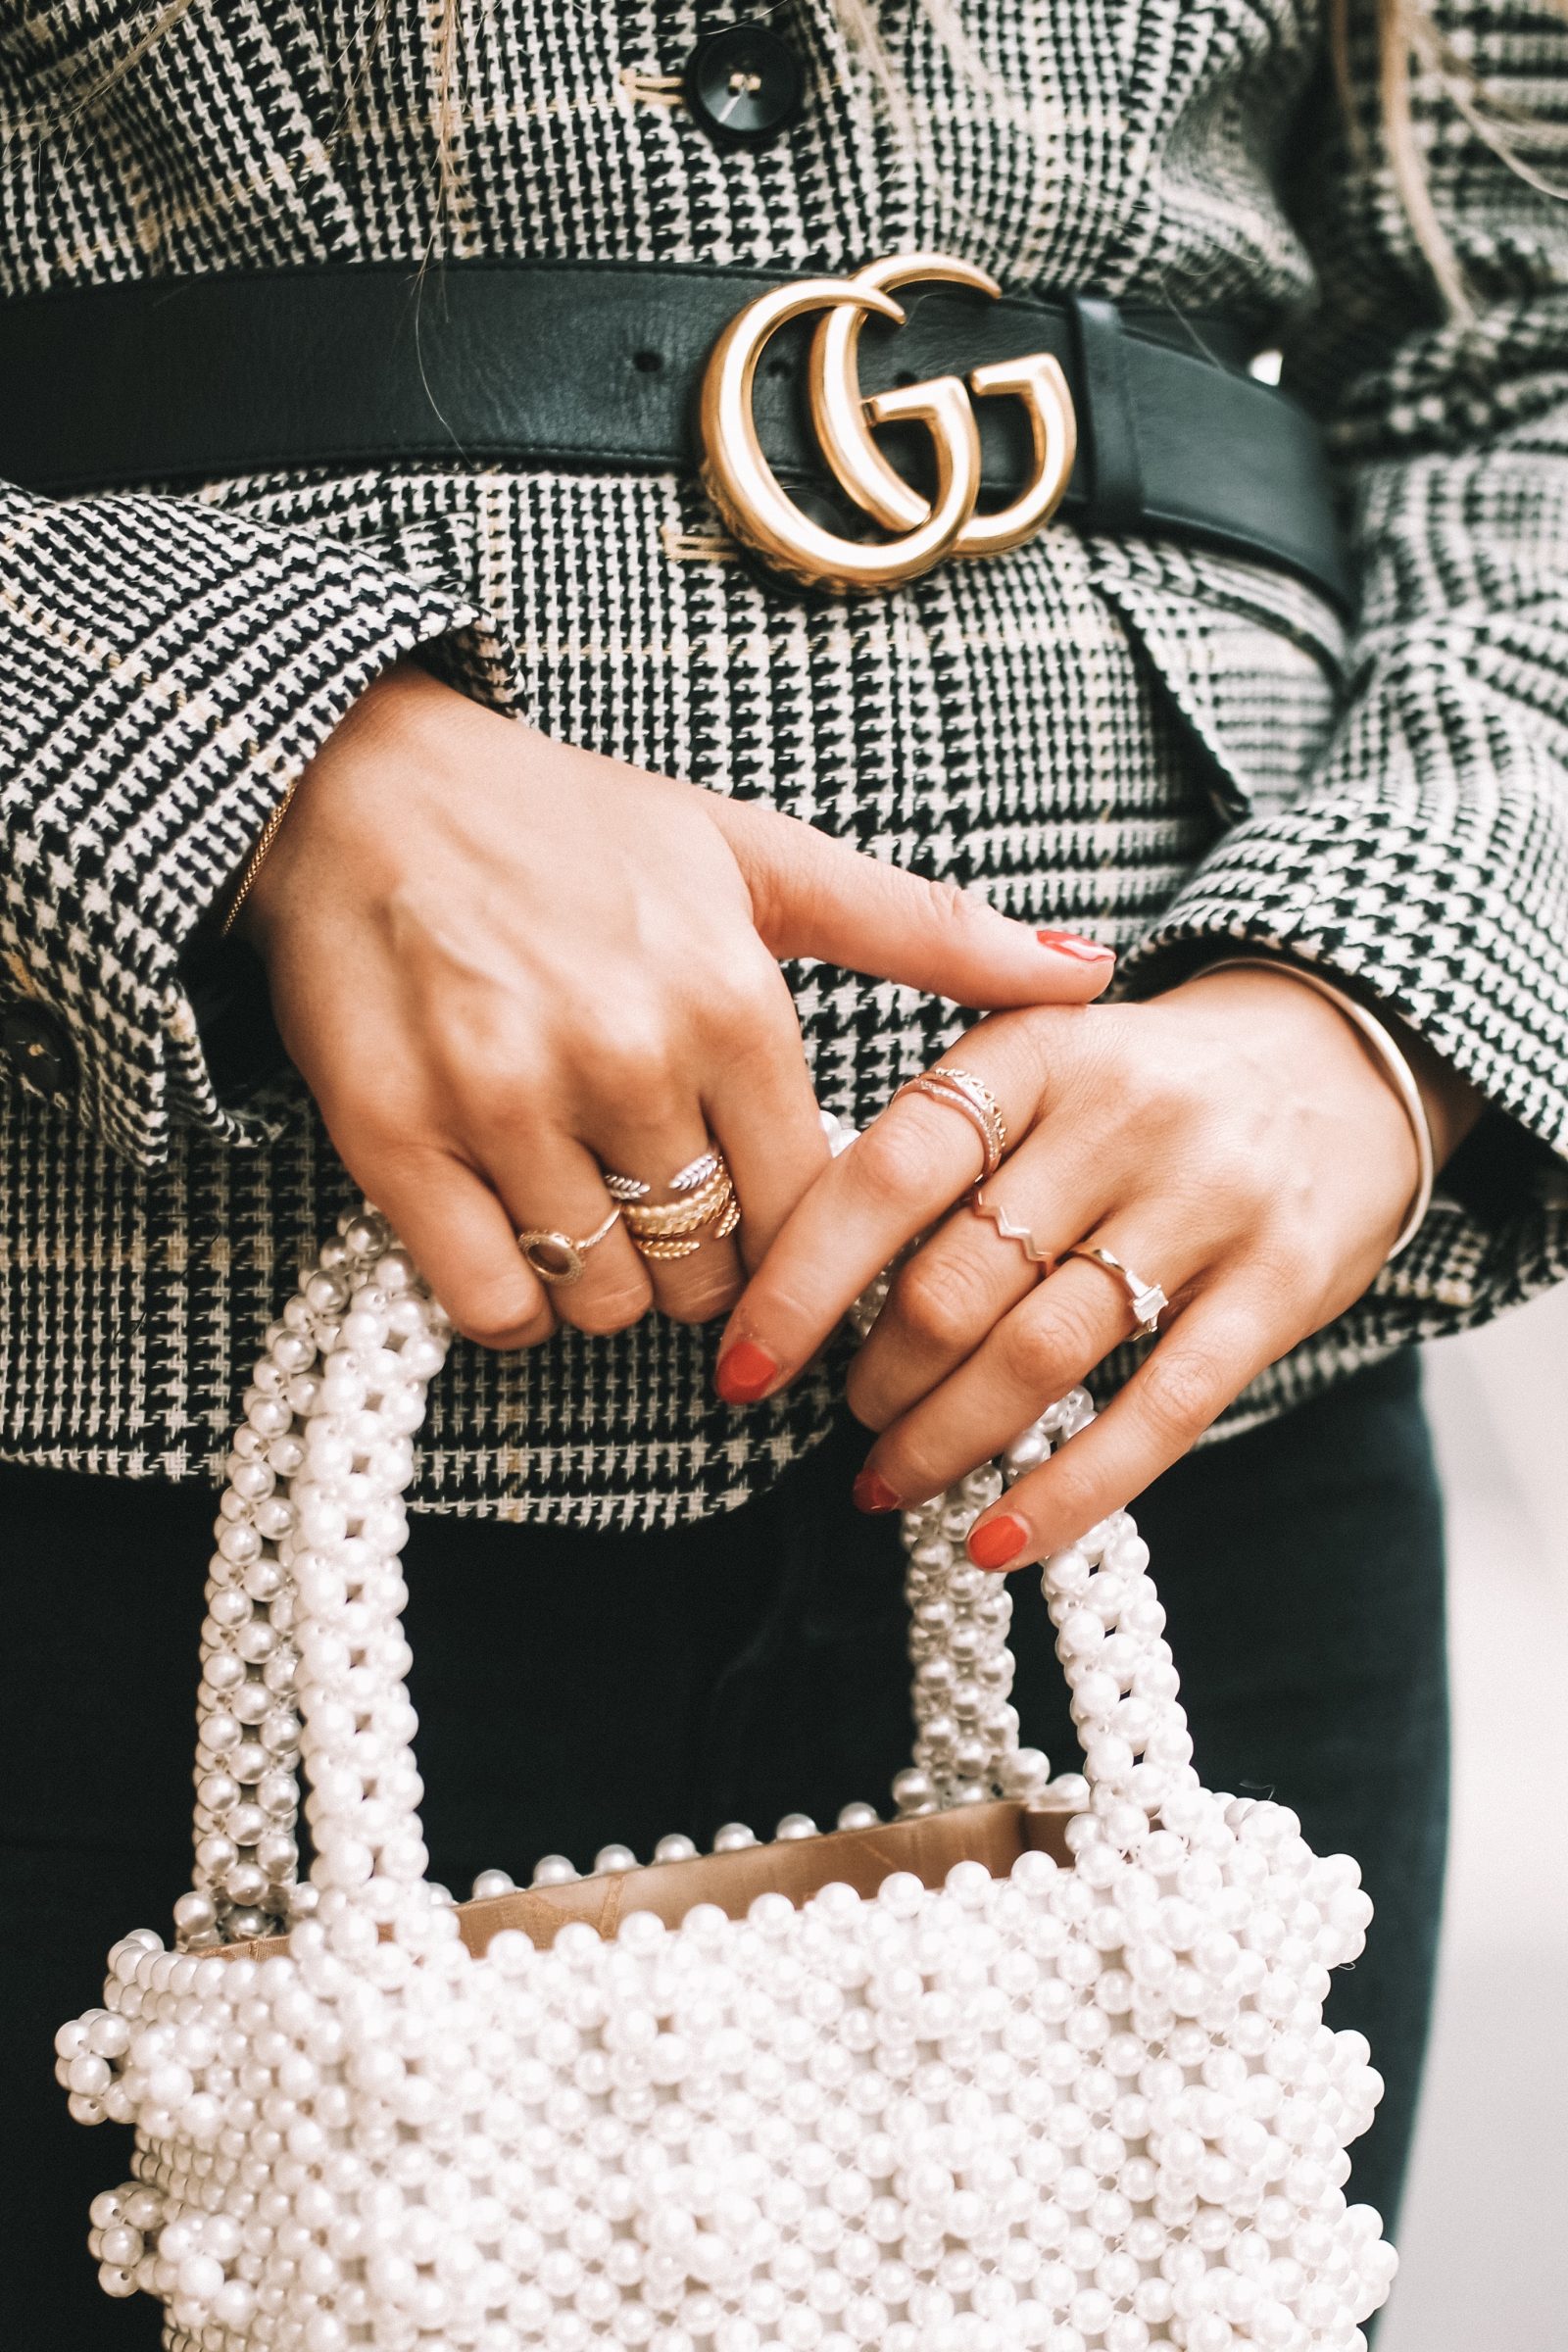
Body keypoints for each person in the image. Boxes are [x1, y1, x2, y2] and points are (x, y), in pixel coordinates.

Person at [2, 1, 1565, 2339]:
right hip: (115, 1428)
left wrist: (1377, 995)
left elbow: (1516, 357)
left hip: (1181, 1435)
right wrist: (227, 747)